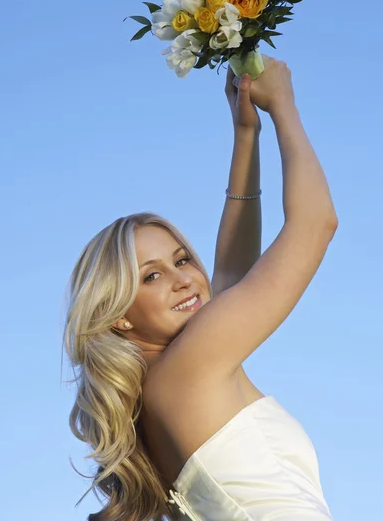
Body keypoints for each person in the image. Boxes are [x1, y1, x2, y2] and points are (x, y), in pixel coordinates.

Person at [63, 56, 338, 521]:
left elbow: (231, 276)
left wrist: (246, 134)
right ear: (119, 315)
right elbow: (316, 223)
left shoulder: (159, 399)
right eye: (151, 276)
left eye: (182, 259)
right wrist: (284, 104)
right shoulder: (189, 367)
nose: (183, 278)